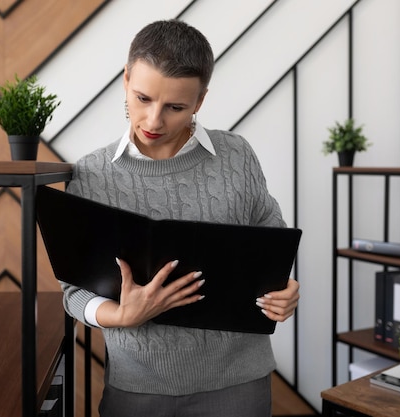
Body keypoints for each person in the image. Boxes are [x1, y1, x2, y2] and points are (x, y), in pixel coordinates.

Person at [60, 19, 300, 417]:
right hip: (137, 388)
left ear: (200, 101)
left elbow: (273, 242)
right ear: (125, 79)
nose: (154, 121)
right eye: (142, 98)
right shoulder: (91, 174)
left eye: (175, 107)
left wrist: (285, 291)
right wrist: (118, 315)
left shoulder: (237, 156)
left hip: (239, 383)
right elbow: (73, 291)